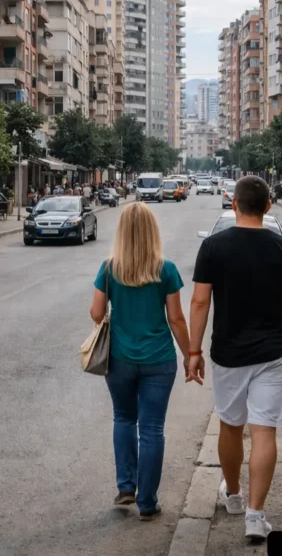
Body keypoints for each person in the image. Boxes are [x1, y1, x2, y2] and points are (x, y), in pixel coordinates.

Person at [188, 176, 282, 544]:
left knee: (230, 426)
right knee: (264, 431)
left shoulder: (212, 247)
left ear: (234, 205)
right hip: (272, 353)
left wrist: (194, 352)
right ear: (267, 206)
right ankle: (256, 517)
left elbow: (200, 302)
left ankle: (232, 495)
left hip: (227, 352)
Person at [89, 202, 195, 519]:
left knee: (123, 418)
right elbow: (176, 319)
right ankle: (147, 503)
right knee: (152, 429)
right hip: (159, 360)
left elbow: (96, 313)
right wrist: (192, 355)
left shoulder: (109, 268)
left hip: (119, 358)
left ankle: (126, 487)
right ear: (152, 232)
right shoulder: (166, 269)